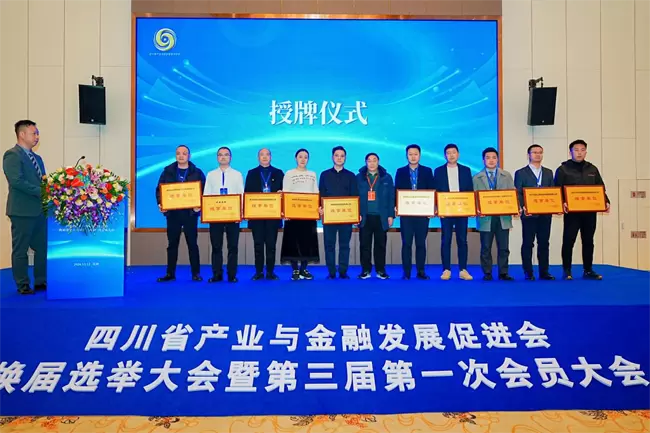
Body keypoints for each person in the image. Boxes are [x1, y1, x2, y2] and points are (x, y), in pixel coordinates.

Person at [554, 139, 610, 280]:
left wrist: (606, 201)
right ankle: (567, 270)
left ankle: (588, 270)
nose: (579, 153)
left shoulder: (592, 169)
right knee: (569, 240)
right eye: (576, 150)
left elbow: (600, 188)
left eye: (582, 150)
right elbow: (557, 190)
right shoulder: (563, 169)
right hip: (572, 213)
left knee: (588, 241)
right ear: (570, 152)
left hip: (590, 212)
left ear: (586, 152)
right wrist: (562, 203)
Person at [3, 120, 47, 295]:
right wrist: (41, 192)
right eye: (33, 133)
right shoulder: (12, 155)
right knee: (20, 250)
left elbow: (43, 182)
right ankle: (22, 284)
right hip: (21, 211)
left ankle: (41, 281)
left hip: (39, 211)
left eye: (37, 133)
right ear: (22, 134)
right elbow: (17, 181)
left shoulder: (38, 159)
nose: (37, 137)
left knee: (42, 247)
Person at [155, 145, 206, 282]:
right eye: (178, 153)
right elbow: (159, 190)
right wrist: (161, 204)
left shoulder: (197, 172)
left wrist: (199, 206)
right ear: (176, 155)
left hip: (190, 214)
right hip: (173, 214)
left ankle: (196, 273)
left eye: (184, 153)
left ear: (189, 156)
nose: (181, 155)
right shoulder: (167, 172)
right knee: (172, 245)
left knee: (192, 244)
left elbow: (204, 191)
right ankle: (170, 273)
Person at [514, 144, 555, 280]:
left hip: (545, 214)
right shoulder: (521, 172)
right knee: (528, 243)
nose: (538, 155)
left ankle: (544, 272)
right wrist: (523, 206)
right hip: (529, 214)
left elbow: (553, 192)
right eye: (534, 152)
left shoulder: (548, 172)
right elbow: (518, 192)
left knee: (544, 243)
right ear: (528, 155)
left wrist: (555, 206)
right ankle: (528, 272)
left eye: (540, 152)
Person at [473, 147, 515, 281]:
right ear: (483, 160)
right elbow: (474, 198)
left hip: (503, 217)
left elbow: (512, 194)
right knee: (486, 247)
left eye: (494, 157)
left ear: (497, 159)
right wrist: (477, 210)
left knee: (504, 247)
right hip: (486, 218)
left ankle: (503, 272)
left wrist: (515, 208)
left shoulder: (506, 175)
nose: (491, 160)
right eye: (488, 158)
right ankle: (487, 272)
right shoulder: (477, 178)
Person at [433, 144, 474, 281]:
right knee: (446, 240)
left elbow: (469, 190)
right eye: (448, 153)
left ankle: (463, 269)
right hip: (446, 211)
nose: (451, 155)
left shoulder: (466, 170)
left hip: (462, 211)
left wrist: (470, 207)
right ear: (445, 155)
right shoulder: (438, 171)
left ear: (458, 154)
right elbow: (436, 191)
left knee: (462, 240)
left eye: (454, 152)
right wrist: (437, 207)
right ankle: (446, 270)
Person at [394, 144, 435, 280]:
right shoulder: (400, 171)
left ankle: (421, 271)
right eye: (410, 154)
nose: (413, 157)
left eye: (415, 154)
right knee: (406, 243)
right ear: (406, 156)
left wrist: (432, 207)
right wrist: (396, 206)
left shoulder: (427, 171)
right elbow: (397, 190)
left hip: (422, 214)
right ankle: (406, 272)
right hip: (406, 214)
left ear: (420, 155)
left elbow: (432, 190)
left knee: (421, 243)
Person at [204, 146, 244, 283]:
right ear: (217, 158)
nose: (223, 157)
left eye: (226, 155)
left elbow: (241, 194)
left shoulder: (237, 174)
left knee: (233, 246)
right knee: (216, 246)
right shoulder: (210, 175)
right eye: (220, 155)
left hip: (233, 216)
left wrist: (241, 213)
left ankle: (232, 274)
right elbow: (206, 195)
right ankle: (217, 274)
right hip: (215, 216)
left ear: (230, 158)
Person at [318, 146, 358, 279]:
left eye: (342, 156)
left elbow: (354, 196)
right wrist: (320, 208)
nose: (339, 158)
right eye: (337, 155)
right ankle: (331, 272)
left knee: (344, 245)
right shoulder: (324, 175)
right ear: (332, 157)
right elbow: (321, 194)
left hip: (346, 216)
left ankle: (342, 271)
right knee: (329, 245)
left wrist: (355, 213)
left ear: (345, 158)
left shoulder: (351, 176)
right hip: (329, 216)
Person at [244, 148, 284, 280]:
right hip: (257, 216)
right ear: (258, 158)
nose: (265, 157)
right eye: (262, 155)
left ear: (271, 157)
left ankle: (270, 272)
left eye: (267, 154)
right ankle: (259, 271)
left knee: (271, 245)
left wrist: (281, 194)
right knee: (258, 245)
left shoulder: (278, 173)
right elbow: (247, 194)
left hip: (273, 216)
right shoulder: (251, 173)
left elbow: (284, 194)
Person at [280, 148, 320, 280]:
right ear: (295, 158)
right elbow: (285, 192)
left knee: (307, 242)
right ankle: (295, 270)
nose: (303, 159)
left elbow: (316, 193)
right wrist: (285, 211)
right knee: (293, 242)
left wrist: (317, 210)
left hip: (308, 214)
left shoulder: (312, 174)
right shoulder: (289, 173)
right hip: (293, 214)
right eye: (300, 157)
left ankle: (303, 269)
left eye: (305, 157)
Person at [357, 153, 395, 280]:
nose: (372, 163)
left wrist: (391, 215)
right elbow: (354, 198)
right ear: (366, 162)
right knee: (364, 246)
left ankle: (380, 270)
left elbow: (391, 197)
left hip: (381, 217)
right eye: (369, 160)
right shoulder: (359, 177)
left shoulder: (386, 177)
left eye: (374, 160)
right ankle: (365, 270)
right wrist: (356, 214)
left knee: (380, 245)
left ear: (378, 162)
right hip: (365, 217)